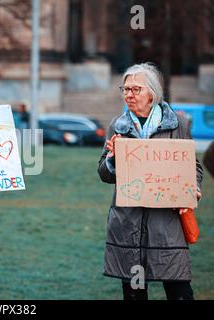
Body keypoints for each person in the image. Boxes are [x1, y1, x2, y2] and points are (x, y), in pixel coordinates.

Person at [97, 62, 203, 300]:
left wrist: (192, 189)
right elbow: (104, 173)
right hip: (128, 225)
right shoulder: (118, 125)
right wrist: (113, 159)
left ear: (152, 93)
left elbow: (192, 165)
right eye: (125, 89)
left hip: (166, 225)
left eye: (136, 89)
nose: (129, 95)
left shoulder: (178, 123)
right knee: (134, 295)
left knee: (180, 293)